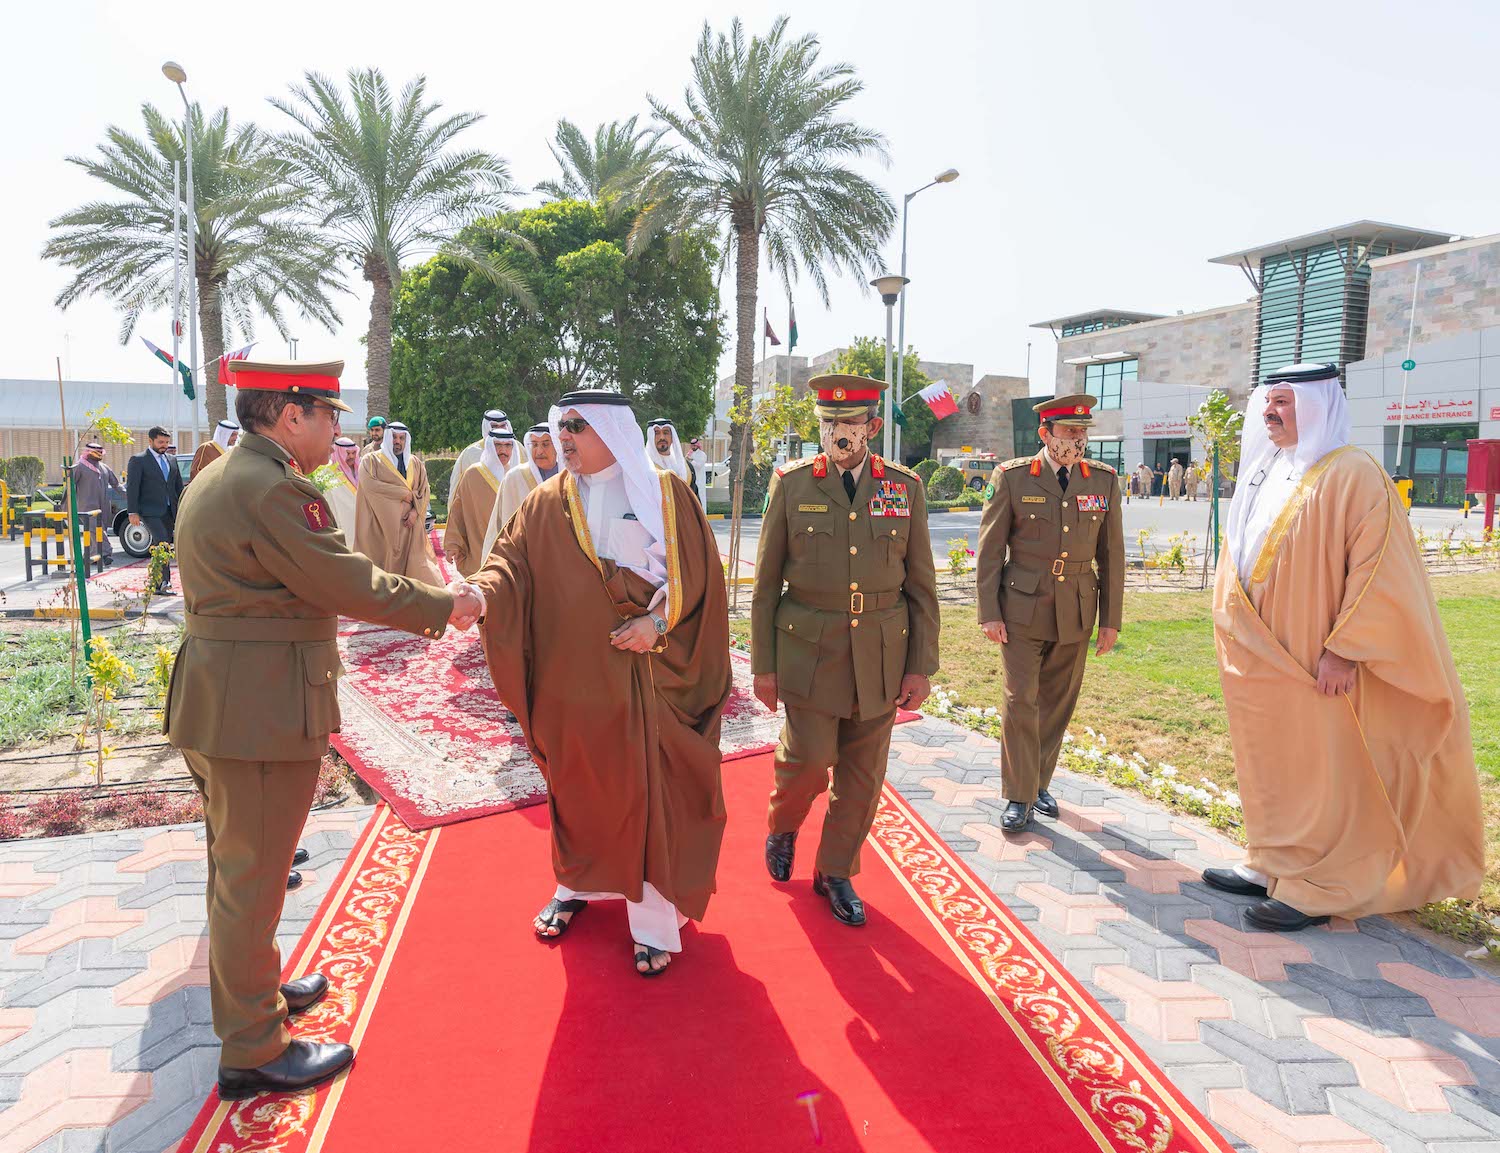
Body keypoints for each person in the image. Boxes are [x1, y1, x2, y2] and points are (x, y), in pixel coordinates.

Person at [166, 355, 482, 1099]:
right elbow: (346, 579)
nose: (336, 431)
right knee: (252, 878)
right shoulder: (275, 489)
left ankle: (256, 992)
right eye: (327, 415)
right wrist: (447, 605)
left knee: (240, 866)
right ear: (291, 414)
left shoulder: (223, 472)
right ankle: (254, 1047)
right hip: (258, 712)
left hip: (223, 701)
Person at [461, 389, 730, 977]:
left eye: (578, 426)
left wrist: (657, 624)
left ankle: (652, 923)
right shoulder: (545, 502)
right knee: (576, 786)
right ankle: (575, 885)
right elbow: (508, 564)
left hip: (646, 677)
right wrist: (479, 594)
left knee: (647, 791)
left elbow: (701, 576)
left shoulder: (666, 495)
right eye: (562, 425)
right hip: (572, 678)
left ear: (613, 430)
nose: (565, 437)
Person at [1205, 363, 1482, 931]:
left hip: (1317, 658)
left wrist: (1345, 650)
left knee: (1325, 766)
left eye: (1284, 402)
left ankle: (1323, 883)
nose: (1270, 412)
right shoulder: (1268, 467)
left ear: (1316, 405)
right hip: (1261, 651)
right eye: (1268, 401)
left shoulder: (1354, 473)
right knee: (1271, 760)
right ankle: (1272, 861)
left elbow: (1379, 568)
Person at [752, 375, 939, 927]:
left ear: (872, 427)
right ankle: (783, 825)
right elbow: (765, 587)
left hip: (881, 653)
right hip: (810, 651)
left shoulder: (903, 487)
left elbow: (921, 586)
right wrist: (764, 667)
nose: (838, 431)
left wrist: (920, 666)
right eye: (829, 422)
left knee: (862, 777)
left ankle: (835, 870)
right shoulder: (791, 485)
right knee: (808, 762)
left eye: (850, 422)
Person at [976, 394, 1124, 832]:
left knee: (1057, 703)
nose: (1077, 439)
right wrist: (988, 611)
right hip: (1021, 607)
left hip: (1077, 607)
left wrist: (1111, 620)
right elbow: (990, 551)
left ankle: (1038, 782)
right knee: (1021, 699)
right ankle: (1019, 794)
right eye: (1069, 431)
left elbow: (1112, 555)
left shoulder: (1103, 481)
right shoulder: (1013, 477)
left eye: (1082, 432)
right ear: (1045, 433)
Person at [355, 421, 442, 583]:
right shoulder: (371, 461)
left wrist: (415, 512)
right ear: (388, 437)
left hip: (411, 527)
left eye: (402, 438)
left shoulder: (415, 463)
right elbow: (371, 486)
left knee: (417, 573)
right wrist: (403, 494)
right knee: (385, 575)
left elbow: (424, 491)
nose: (398, 441)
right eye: (394, 437)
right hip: (382, 529)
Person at [444, 426, 514, 577]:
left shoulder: (515, 475)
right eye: (498, 445)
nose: (503, 450)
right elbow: (458, 510)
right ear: (489, 446)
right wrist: (453, 544)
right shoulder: (473, 473)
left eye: (508, 445)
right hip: (478, 546)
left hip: (510, 548)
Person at [481, 423, 558, 559]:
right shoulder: (514, 477)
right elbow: (499, 523)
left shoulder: (569, 477)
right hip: (522, 557)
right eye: (534, 445)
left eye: (545, 444)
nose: (539, 451)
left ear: (557, 446)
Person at [126, 425, 185, 593]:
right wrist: (132, 511)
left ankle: (157, 581)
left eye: (166, 442)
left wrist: (183, 506)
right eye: (160, 442)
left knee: (164, 542)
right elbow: (132, 487)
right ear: (150, 441)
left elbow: (178, 486)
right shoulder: (138, 460)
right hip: (149, 511)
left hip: (170, 510)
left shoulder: (172, 460)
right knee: (162, 542)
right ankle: (163, 583)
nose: (164, 445)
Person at [450, 410, 524, 505]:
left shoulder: (519, 449)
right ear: (486, 427)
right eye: (494, 426)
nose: (499, 429)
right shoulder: (471, 453)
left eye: (503, 426)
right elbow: (459, 489)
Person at [73, 441, 123, 566]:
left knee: (95, 532)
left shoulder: (104, 468)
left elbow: (116, 485)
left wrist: (130, 496)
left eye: (101, 452)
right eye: (96, 452)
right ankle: (106, 553)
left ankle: (90, 556)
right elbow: (70, 487)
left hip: (103, 506)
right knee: (96, 529)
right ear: (88, 452)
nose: (99, 454)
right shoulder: (79, 467)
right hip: (87, 507)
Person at [322, 436, 361, 551]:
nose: (351, 457)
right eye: (347, 453)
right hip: (340, 521)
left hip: (360, 520)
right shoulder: (328, 472)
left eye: (354, 453)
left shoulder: (361, 470)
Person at [646, 418, 698, 502]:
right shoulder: (645, 467)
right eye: (657, 433)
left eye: (666, 433)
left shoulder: (687, 468)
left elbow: (695, 501)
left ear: (672, 436)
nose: (662, 437)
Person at [687, 436, 709, 505]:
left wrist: (691, 460)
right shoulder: (690, 454)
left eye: (694, 446)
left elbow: (699, 466)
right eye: (692, 446)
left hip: (699, 478)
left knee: (700, 495)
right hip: (691, 478)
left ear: (697, 445)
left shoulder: (702, 454)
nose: (693, 447)